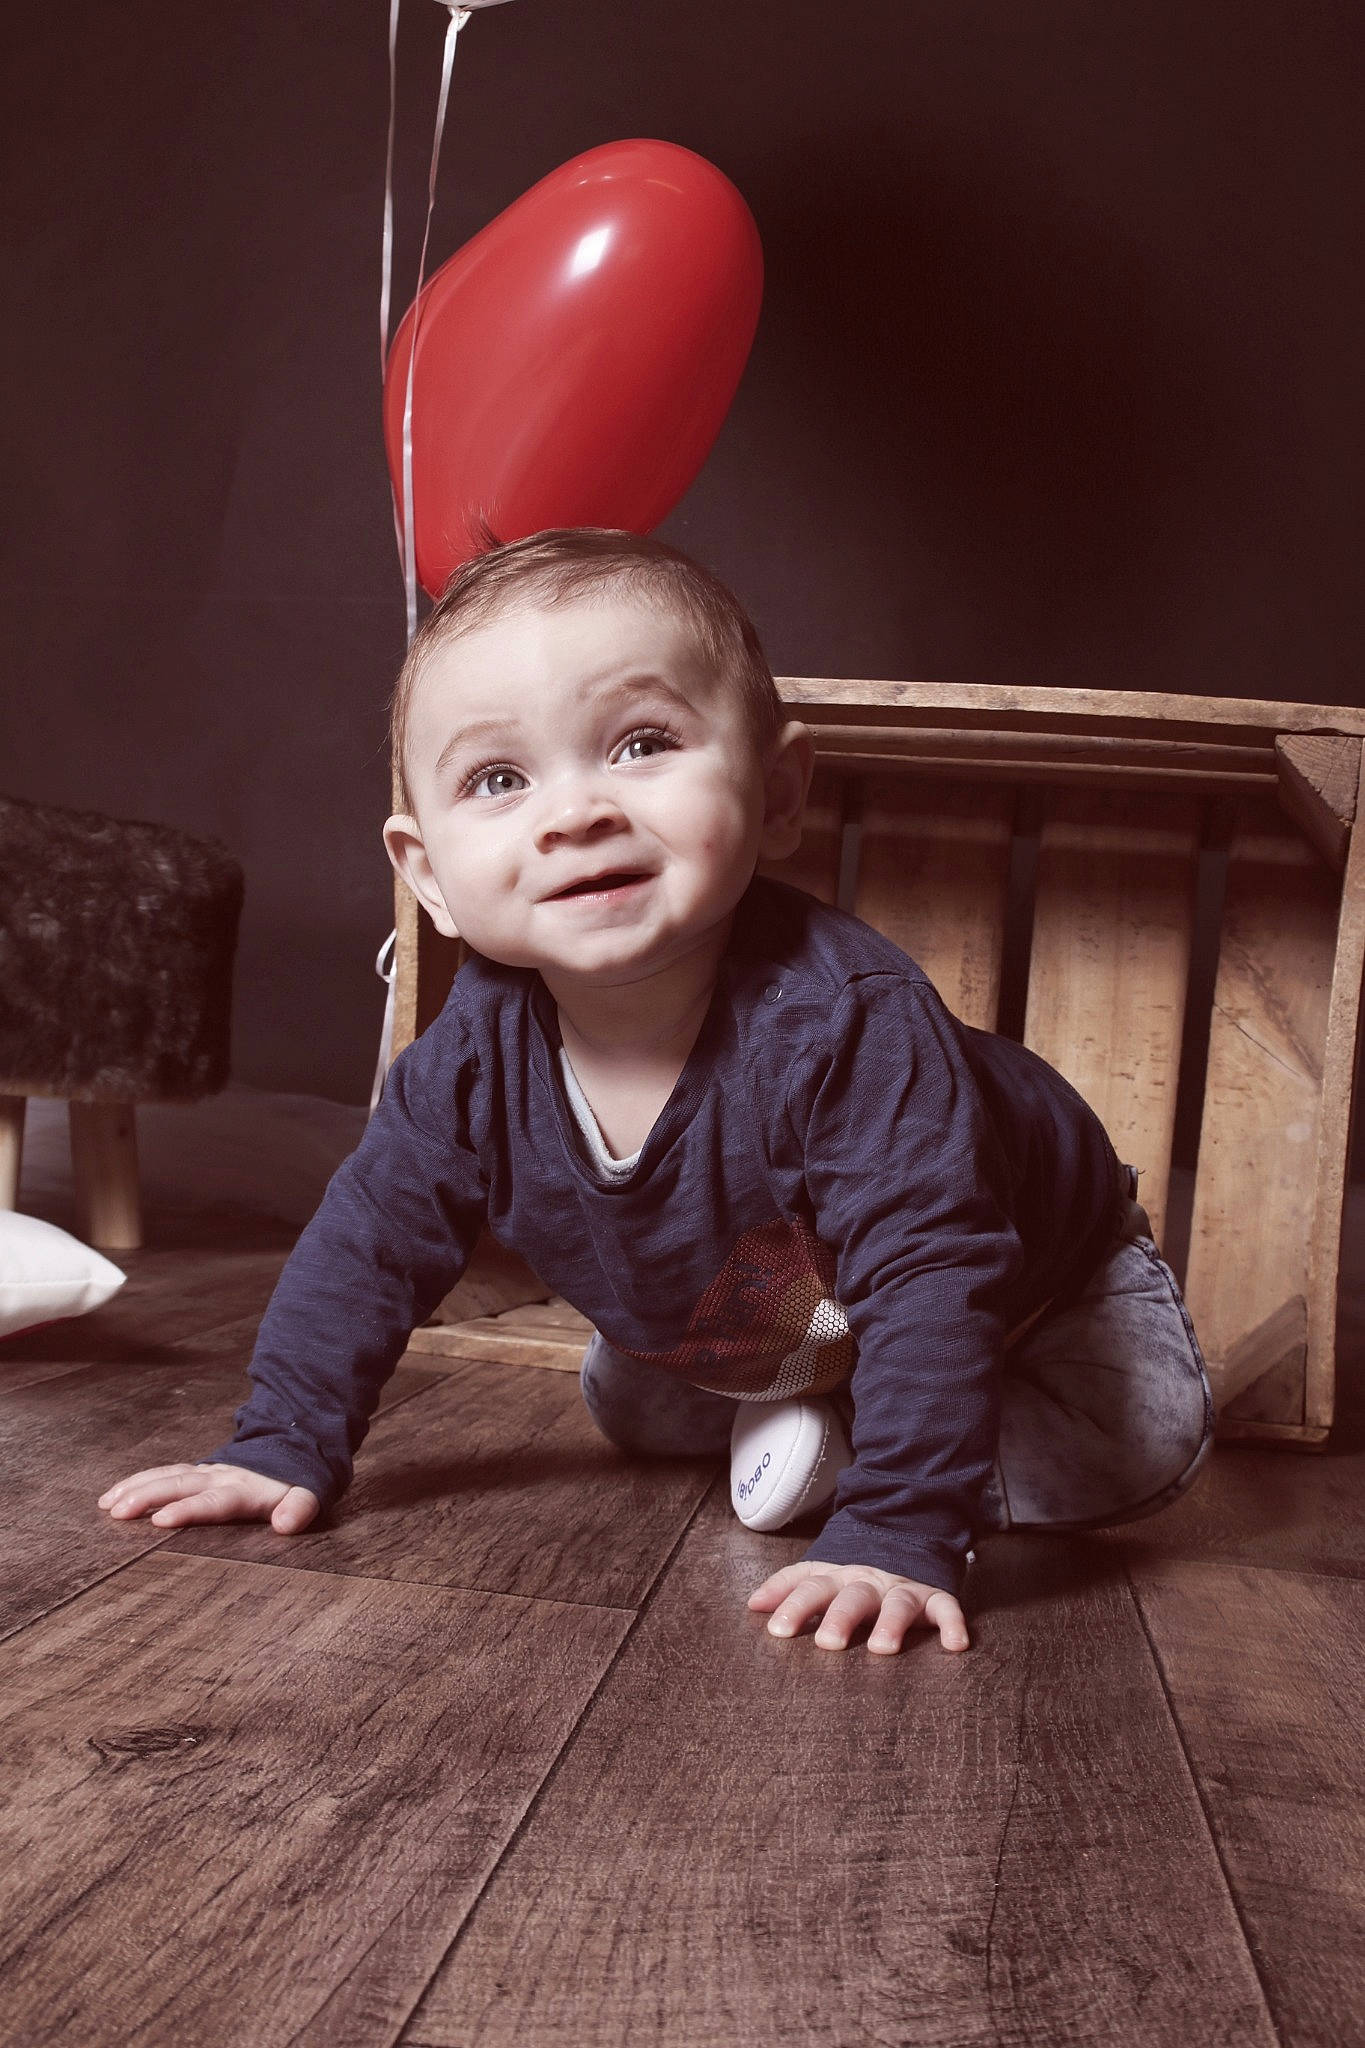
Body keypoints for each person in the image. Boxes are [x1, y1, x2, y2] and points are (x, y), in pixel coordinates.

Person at [98, 528, 1213, 1657]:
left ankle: (875, 1445)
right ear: (429, 874)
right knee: (629, 1401)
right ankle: (840, 1414)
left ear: (777, 792)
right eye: (498, 778)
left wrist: (897, 1526)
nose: (575, 810)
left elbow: (932, 1264)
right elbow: (366, 1248)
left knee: (1145, 1437)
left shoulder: (845, 1017)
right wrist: (279, 1441)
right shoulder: (467, 1063)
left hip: (1034, 1270)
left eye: (641, 743)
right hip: (784, 1295)